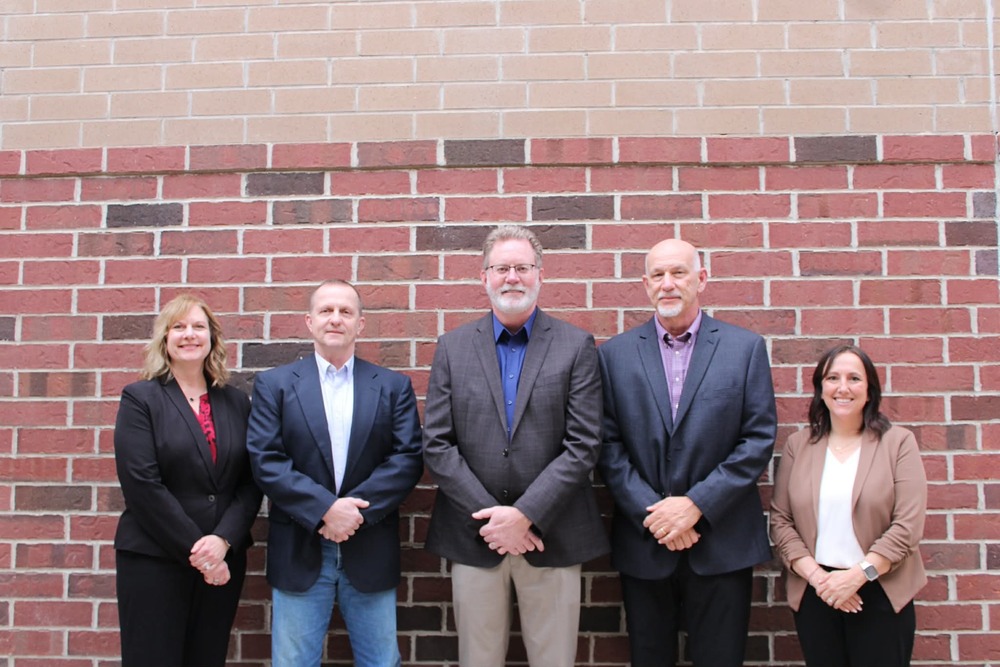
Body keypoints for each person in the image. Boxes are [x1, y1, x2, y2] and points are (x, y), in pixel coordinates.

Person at [422, 224, 608, 667]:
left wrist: (525, 516)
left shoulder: (575, 345)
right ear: (483, 277)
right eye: (501, 268)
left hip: (552, 535)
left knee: (554, 660)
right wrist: (495, 519)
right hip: (475, 535)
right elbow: (438, 444)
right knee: (478, 660)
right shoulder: (453, 347)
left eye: (522, 267)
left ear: (540, 275)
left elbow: (583, 444)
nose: (512, 278)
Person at [596, 238, 777, 667]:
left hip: (722, 541)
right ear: (645, 284)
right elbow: (606, 444)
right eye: (658, 275)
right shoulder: (614, 355)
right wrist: (656, 513)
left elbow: (757, 440)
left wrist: (696, 505)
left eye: (678, 272)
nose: (668, 284)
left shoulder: (744, 349)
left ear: (702, 278)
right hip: (646, 542)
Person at [246, 280, 423, 667]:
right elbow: (266, 460)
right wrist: (326, 509)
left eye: (346, 311)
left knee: (380, 662)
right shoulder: (274, 386)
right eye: (326, 311)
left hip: (370, 545)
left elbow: (407, 458)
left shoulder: (393, 387)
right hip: (299, 547)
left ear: (361, 324)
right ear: (309, 322)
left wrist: (352, 514)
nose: (336, 319)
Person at [113, 294, 262, 667]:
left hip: (223, 556)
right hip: (155, 559)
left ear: (212, 338)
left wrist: (223, 540)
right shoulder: (140, 399)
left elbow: (250, 482)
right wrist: (203, 553)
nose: (188, 335)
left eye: (198, 326)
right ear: (165, 338)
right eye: (178, 327)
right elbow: (142, 484)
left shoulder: (236, 402)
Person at [770, 344, 927, 667]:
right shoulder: (799, 445)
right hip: (817, 593)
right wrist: (820, 581)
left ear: (869, 390)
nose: (843, 388)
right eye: (833, 378)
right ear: (821, 389)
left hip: (880, 589)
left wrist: (857, 576)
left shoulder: (898, 443)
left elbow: (907, 527)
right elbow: (781, 521)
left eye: (854, 378)